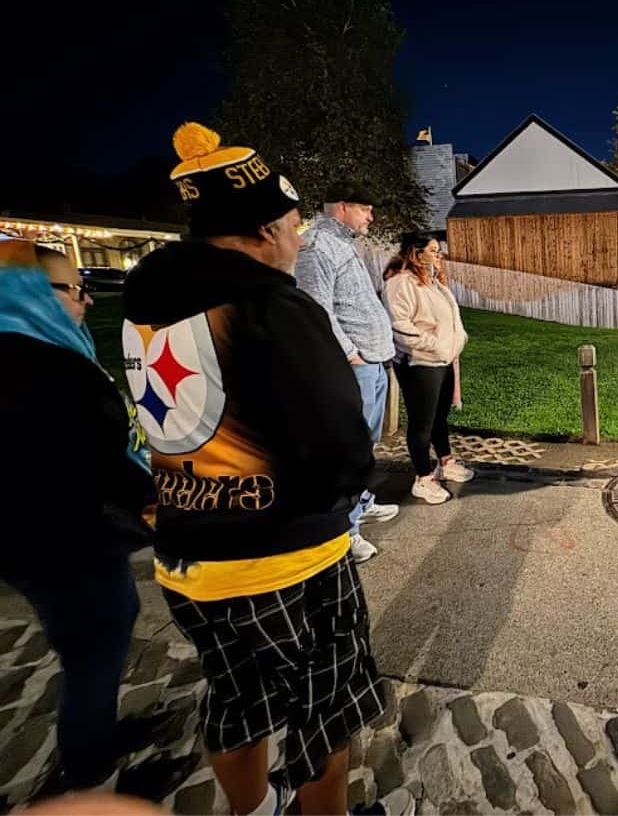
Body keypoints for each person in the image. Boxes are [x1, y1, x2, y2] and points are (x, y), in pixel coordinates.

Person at [122, 123, 405, 816]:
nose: (299, 240)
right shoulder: (272, 306)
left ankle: (252, 812)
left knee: (234, 699)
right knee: (322, 713)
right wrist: (358, 486)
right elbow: (338, 441)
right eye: (289, 225)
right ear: (259, 230)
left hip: (187, 552)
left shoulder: (142, 304)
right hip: (285, 558)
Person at [0, 241, 153, 792]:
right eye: (74, 289)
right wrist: (150, 495)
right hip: (67, 542)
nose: (86, 301)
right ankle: (91, 774)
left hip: (35, 542)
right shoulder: (49, 368)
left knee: (92, 642)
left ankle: (97, 735)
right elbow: (99, 458)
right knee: (94, 652)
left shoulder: (26, 353)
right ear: (32, 293)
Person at [294, 181, 399, 564]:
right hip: (355, 367)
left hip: (371, 362)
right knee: (348, 451)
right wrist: (352, 355)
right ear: (342, 207)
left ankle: (362, 502)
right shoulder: (317, 246)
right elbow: (317, 308)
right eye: (365, 209)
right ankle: (345, 532)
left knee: (365, 448)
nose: (371, 216)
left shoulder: (341, 244)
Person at [383, 234, 472, 504]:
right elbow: (400, 325)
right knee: (422, 422)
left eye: (439, 250)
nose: (439, 254)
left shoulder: (431, 281)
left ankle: (446, 462)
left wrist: (456, 341)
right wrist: (433, 345)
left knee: (439, 417)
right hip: (420, 363)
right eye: (434, 250)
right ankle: (423, 478)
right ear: (416, 253)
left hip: (442, 360)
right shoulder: (400, 283)